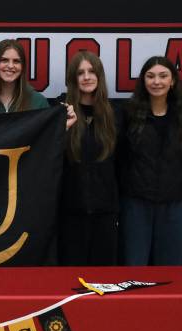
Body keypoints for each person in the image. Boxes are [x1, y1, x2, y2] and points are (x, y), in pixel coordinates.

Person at [117, 56, 182, 266]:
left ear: (173, 81)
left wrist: (180, 187)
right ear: (143, 80)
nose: (157, 82)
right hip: (136, 203)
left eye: (163, 76)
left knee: (171, 271)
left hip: (174, 204)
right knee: (134, 267)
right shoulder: (129, 113)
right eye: (150, 76)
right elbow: (120, 157)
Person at [53, 51, 119, 266]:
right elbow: (50, 158)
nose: (87, 77)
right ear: (73, 78)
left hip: (106, 214)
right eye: (80, 73)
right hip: (70, 213)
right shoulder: (61, 112)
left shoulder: (115, 114)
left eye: (92, 71)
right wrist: (62, 128)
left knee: (104, 280)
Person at [0, 39, 50, 114]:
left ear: (23, 67)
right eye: (4, 60)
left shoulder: (38, 101)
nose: (10, 66)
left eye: (16, 61)